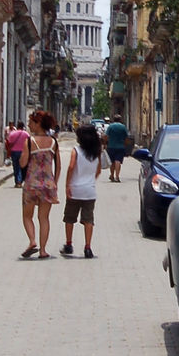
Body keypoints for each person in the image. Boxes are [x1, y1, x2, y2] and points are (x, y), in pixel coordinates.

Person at [19, 110, 59, 259]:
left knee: (27, 216)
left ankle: (32, 240)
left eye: (31, 122)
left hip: (31, 184)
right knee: (44, 218)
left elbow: (23, 163)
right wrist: (55, 182)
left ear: (38, 124)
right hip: (48, 184)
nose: (29, 125)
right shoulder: (53, 142)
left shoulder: (29, 141)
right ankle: (43, 250)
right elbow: (58, 165)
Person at [61, 124, 102, 258]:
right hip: (90, 191)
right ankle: (88, 247)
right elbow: (99, 170)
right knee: (88, 220)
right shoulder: (96, 153)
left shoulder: (76, 151)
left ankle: (68, 244)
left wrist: (67, 184)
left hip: (75, 189)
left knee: (69, 218)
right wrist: (91, 180)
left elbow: (71, 167)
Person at [6, 120, 28, 187]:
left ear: (17, 126)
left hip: (14, 152)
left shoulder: (12, 134)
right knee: (22, 167)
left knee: (16, 167)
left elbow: (9, 143)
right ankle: (20, 181)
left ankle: (17, 181)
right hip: (23, 152)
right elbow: (29, 143)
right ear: (23, 126)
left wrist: (8, 152)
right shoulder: (26, 134)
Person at [104, 118, 128, 182]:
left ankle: (112, 175)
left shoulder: (110, 126)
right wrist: (125, 145)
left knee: (112, 162)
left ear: (113, 120)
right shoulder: (123, 127)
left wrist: (105, 144)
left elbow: (106, 136)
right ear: (120, 120)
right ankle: (117, 176)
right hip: (120, 147)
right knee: (118, 161)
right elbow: (126, 137)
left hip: (111, 146)